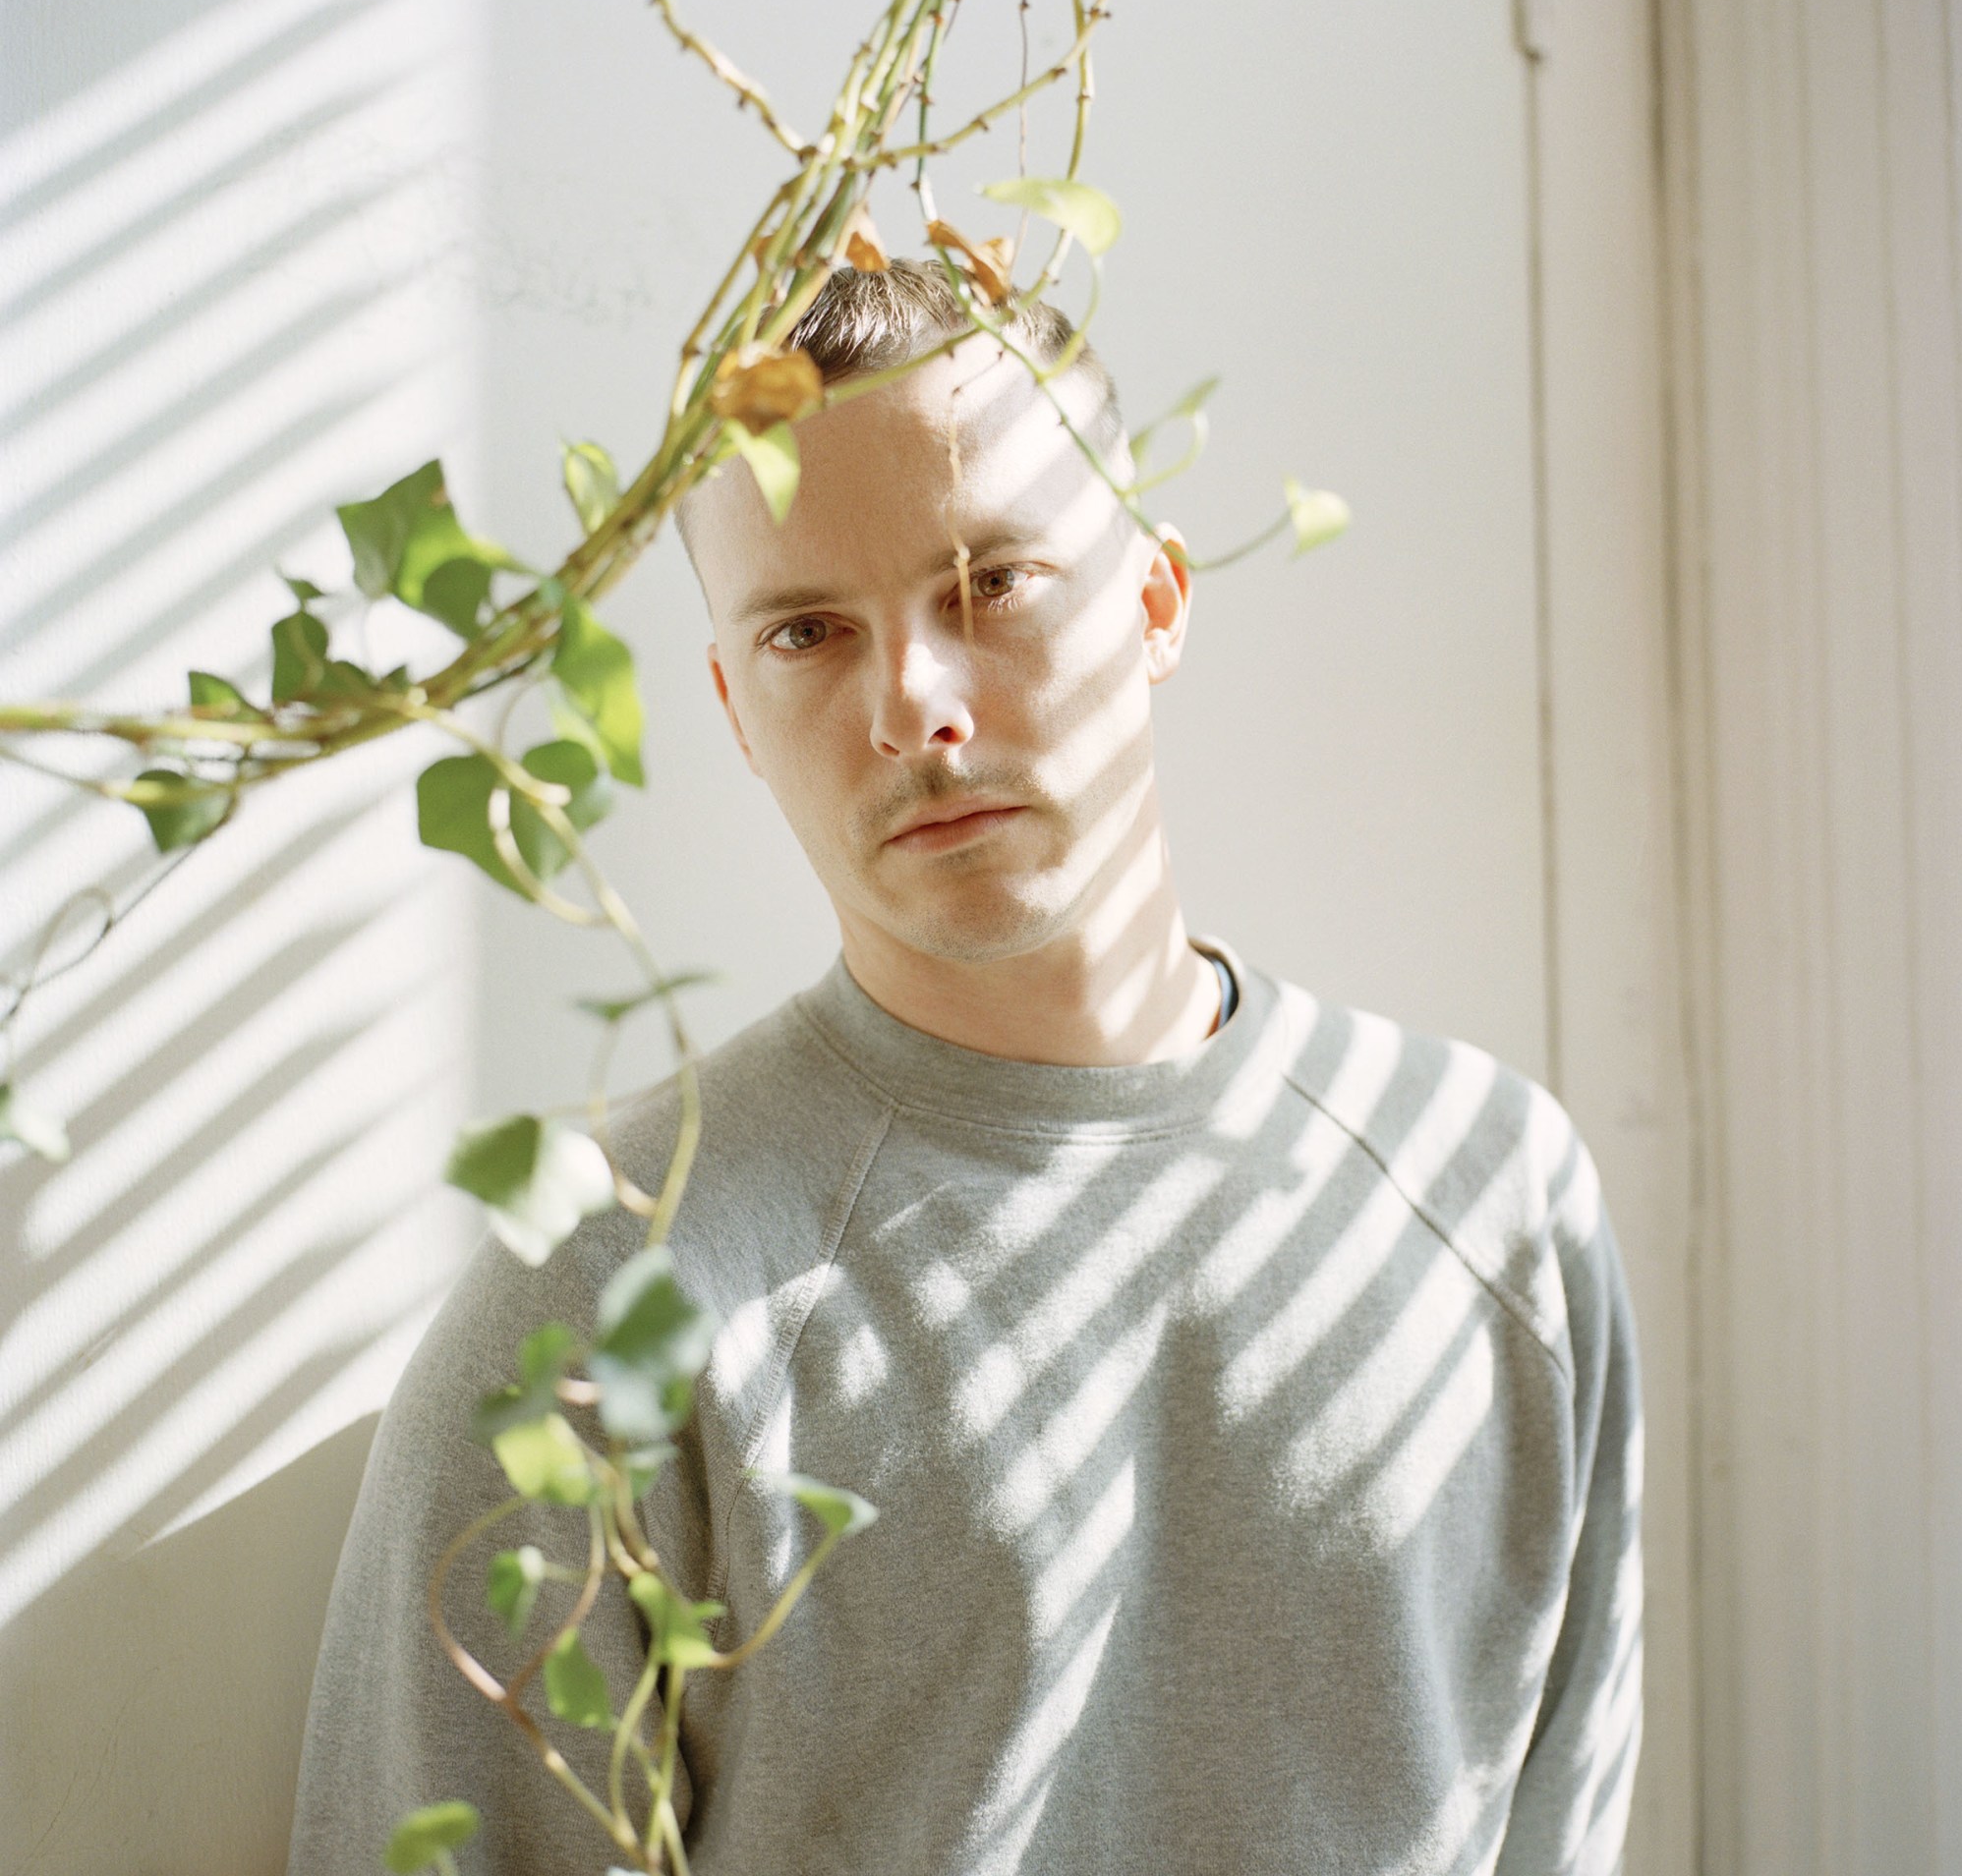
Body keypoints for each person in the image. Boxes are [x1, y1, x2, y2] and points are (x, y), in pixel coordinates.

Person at [288, 260, 1644, 1875]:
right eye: (807, 631)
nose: (912, 705)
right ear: (735, 706)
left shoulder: (1491, 1191)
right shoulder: (610, 1293)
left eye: (992, 583)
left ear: (1155, 603)